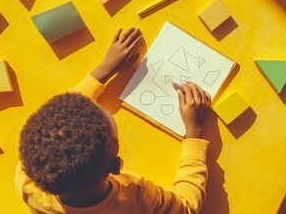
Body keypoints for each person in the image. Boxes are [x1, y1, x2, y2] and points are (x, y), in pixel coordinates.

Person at [15, 27, 211, 213]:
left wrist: (104, 69)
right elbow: (186, 208)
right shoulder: (138, 199)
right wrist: (194, 132)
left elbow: (60, 121)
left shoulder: (29, 187)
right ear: (117, 165)